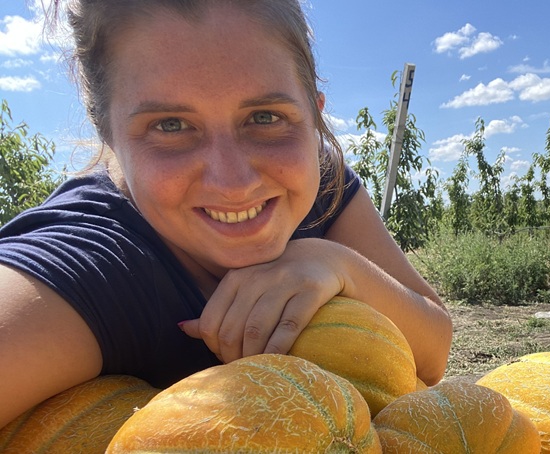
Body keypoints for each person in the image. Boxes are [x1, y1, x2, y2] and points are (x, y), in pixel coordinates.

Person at [0, 0, 452, 429]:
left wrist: (337, 264)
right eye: (170, 125)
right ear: (109, 134)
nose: (233, 183)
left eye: (265, 117)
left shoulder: (322, 186)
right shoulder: (91, 265)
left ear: (314, 116)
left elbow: (432, 354)